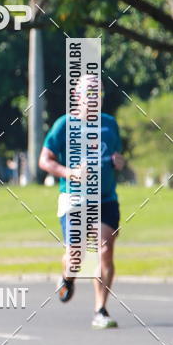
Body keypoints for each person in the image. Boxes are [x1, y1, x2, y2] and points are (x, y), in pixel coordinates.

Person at [39, 75, 125, 329]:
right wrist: (70, 173)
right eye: (90, 94)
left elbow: (116, 157)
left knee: (104, 249)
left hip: (105, 198)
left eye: (99, 94)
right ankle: (68, 277)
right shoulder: (64, 125)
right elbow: (45, 160)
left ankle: (101, 309)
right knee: (76, 256)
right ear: (77, 97)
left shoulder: (110, 124)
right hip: (75, 198)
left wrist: (119, 162)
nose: (95, 99)